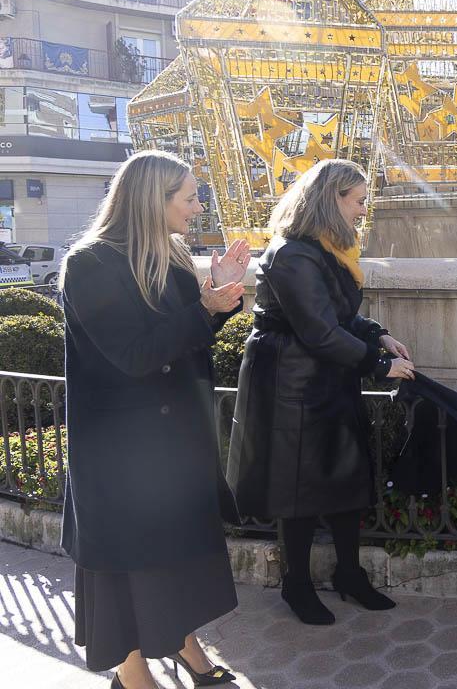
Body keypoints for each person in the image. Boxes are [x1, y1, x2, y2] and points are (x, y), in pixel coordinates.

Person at [60, 151, 249, 689]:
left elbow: (187, 346)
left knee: (176, 561)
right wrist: (206, 308)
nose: (198, 206)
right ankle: (131, 671)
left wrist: (221, 301)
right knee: (125, 569)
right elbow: (135, 355)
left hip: (170, 448)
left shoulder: (171, 255)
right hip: (119, 454)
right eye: (189, 196)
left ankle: (187, 648)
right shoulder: (89, 263)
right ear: (153, 198)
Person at [225, 159, 415, 626]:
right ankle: (297, 585)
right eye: (358, 200)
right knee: (299, 490)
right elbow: (320, 331)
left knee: (347, 480)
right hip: (293, 385)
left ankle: (350, 574)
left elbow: (339, 317)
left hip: (326, 378)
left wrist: (378, 332)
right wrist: (380, 363)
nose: (363, 210)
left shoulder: (321, 250)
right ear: (332, 199)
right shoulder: (291, 254)